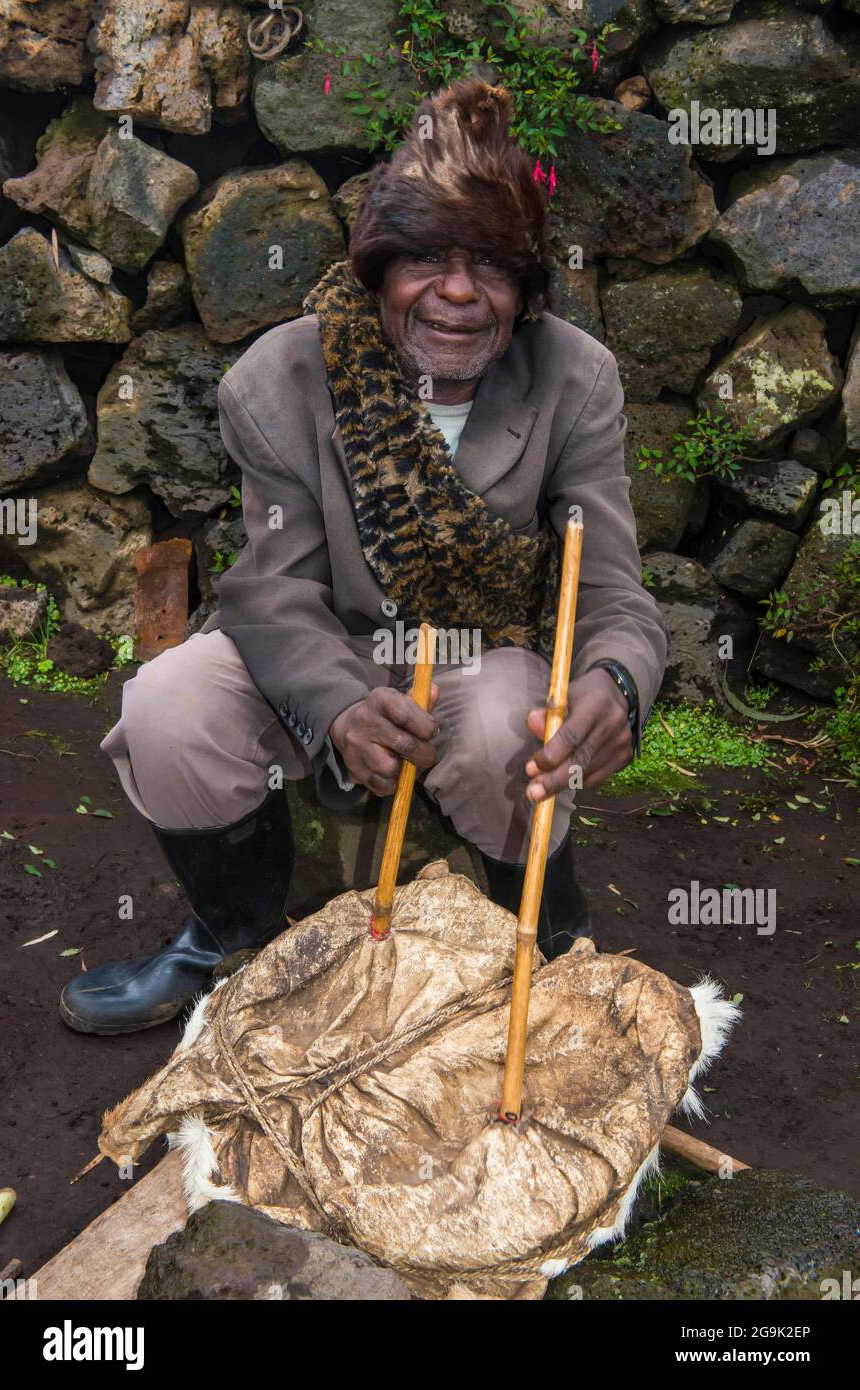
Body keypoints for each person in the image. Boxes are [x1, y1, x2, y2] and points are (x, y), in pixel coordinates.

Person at [61, 79, 667, 1036]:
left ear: (527, 288)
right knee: (169, 706)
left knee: (518, 720)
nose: (458, 292)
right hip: (325, 652)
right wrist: (339, 703)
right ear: (379, 269)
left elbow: (613, 593)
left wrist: (617, 686)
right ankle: (229, 940)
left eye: (490, 266)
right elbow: (268, 586)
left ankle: (545, 943)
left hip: (482, 655)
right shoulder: (279, 377)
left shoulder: (574, 377)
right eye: (425, 258)